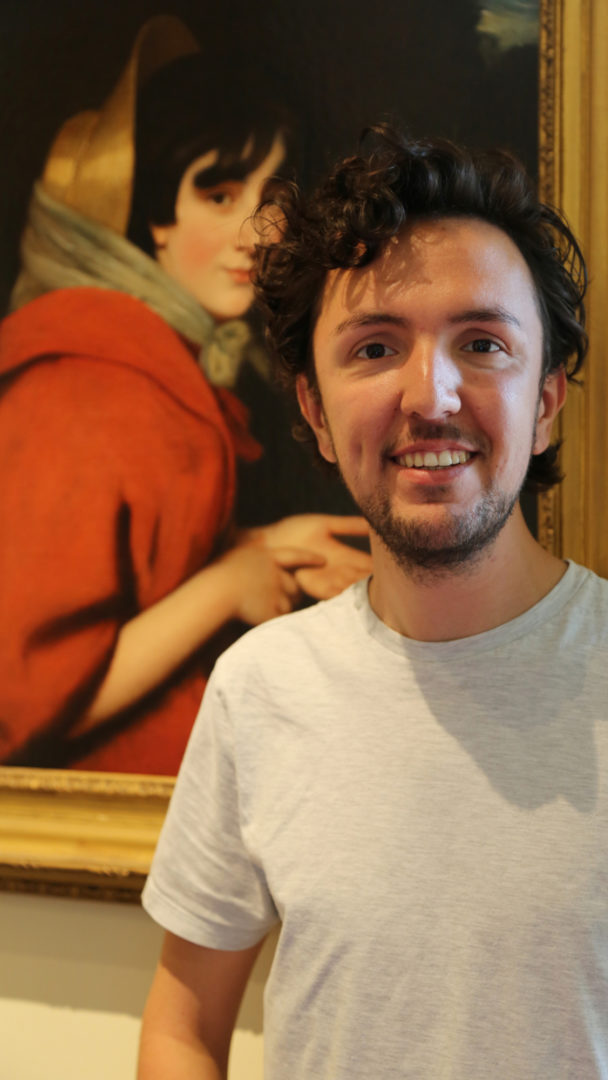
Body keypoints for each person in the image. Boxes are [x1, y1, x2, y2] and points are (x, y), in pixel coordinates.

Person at [138, 127, 608, 1078]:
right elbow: (180, 1029)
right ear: (317, 413)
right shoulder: (260, 687)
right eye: (375, 347)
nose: (432, 394)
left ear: (545, 401)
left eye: (482, 343)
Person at [0, 17, 370, 774]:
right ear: (152, 213)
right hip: (90, 830)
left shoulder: (151, 367)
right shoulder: (84, 391)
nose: (255, 233)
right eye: (219, 192)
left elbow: (131, 573)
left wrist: (259, 547)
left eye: (269, 196)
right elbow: (18, 707)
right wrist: (224, 587)